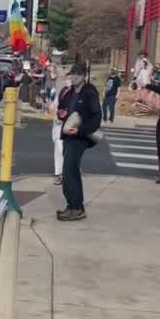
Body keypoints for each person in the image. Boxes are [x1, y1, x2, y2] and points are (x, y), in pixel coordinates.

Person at [56, 63, 101, 221]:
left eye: (76, 74)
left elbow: (96, 118)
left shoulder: (89, 92)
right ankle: (73, 205)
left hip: (79, 137)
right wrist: (61, 114)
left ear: (82, 76)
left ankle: (76, 207)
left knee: (70, 170)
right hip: (68, 135)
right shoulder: (69, 93)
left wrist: (80, 131)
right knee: (68, 171)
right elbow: (62, 110)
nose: (73, 77)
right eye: (71, 74)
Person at [50, 77, 72, 185]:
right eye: (67, 79)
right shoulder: (63, 91)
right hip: (58, 125)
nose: (67, 81)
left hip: (67, 126)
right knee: (58, 150)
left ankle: (64, 174)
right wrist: (53, 110)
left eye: (70, 79)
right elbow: (54, 104)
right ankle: (60, 173)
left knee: (63, 149)